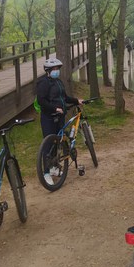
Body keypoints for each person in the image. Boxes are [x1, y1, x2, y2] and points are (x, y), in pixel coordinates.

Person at [36, 57, 83, 185]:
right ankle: (46, 173)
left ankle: (54, 168)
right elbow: (41, 101)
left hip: (60, 117)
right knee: (48, 145)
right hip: (48, 118)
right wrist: (54, 108)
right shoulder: (44, 83)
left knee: (58, 143)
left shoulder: (58, 82)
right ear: (48, 70)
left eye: (57, 69)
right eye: (54, 69)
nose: (56, 71)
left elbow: (65, 97)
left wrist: (76, 100)